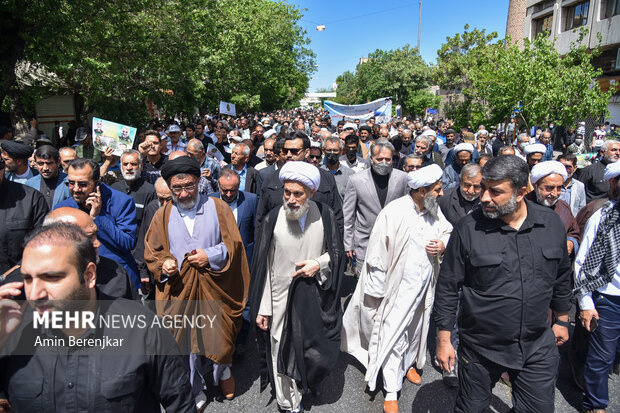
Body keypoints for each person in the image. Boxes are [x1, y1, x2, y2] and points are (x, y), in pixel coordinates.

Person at [0, 223, 195, 411]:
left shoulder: (142, 329)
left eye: (52, 277)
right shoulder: (11, 332)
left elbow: (180, 403)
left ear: (89, 275)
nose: (34, 294)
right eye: (27, 279)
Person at [434, 155, 572, 413]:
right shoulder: (468, 229)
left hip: (537, 345)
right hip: (479, 348)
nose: (484, 197)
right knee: (471, 408)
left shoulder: (550, 223)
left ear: (521, 192)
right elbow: (448, 286)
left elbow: (562, 274)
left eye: (495, 192)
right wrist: (444, 339)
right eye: (483, 188)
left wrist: (563, 319)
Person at [341, 164, 452, 413]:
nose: (442, 193)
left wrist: (442, 244)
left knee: (416, 331)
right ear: (422, 190)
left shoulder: (432, 206)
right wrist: (377, 296)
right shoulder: (394, 212)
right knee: (392, 335)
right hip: (396, 291)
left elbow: (447, 229)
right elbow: (377, 256)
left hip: (425, 287)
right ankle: (391, 390)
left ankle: (410, 364)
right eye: (438, 189)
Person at [144, 156, 250, 403]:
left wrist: (210, 255)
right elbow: (152, 251)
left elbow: (233, 246)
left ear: (199, 181)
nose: (183, 194)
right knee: (188, 343)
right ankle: (195, 389)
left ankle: (222, 371)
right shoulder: (163, 214)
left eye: (189, 186)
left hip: (217, 286)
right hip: (180, 290)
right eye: (177, 188)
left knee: (220, 335)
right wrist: (165, 264)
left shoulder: (218, 207)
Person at [249, 161, 345, 413]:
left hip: (314, 296)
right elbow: (264, 266)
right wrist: (263, 308)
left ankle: (306, 384)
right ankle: (287, 402)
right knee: (279, 346)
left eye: (298, 194)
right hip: (279, 298)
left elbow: (336, 253)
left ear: (311, 193)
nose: (291, 199)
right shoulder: (273, 218)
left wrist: (318, 263)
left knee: (312, 347)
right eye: (287, 192)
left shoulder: (324, 214)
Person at [574, 161, 620, 413]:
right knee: (602, 356)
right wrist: (586, 303)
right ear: (613, 184)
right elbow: (582, 263)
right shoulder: (602, 217)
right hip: (608, 298)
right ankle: (596, 404)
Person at [55, 158, 141, 291]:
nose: (76, 189)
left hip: (116, 278)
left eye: (83, 184)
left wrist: (98, 216)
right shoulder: (62, 208)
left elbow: (127, 243)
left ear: (97, 182)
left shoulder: (122, 202)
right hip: (79, 281)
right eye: (71, 183)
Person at [343, 140, 409, 275]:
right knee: (364, 286)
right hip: (365, 243)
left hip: (394, 243)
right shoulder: (356, 180)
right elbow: (348, 216)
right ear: (371, 159)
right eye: (379, 159)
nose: (383, 162)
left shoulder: (403, 178)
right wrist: (348, 243)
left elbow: (408, 209)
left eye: (387, 159)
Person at [256, 131, 343, 233]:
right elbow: (261, 219)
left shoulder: (326, 178)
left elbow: (337, 217)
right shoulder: (271, 179)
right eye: (285, 151)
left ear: (306, 153)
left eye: (294, 151)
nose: (288, 155)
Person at [0, 156, 48, 274]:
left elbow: (42, 247)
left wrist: (12, 275)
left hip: (18, 283)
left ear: (3, 167)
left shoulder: (31, 199)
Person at [526, 161, 580, 255]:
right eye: (549, 188)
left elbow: (573, 232)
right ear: (535, 186)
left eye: (559, 188)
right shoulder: (522, 208)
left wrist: (571, 243)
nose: (555, 194)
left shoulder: (564, 207)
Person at [212, 168, 258, 265]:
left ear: (238, 186)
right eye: (225, 190)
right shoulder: (210, 201)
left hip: (244, 259)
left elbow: (256, 232)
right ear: (219, 187)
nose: (228, 194)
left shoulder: (251, 200)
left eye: (232, 190)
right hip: (218, 260)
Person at [111, 149, 157, 228]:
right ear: (120, 166)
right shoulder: (113, 189)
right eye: (125, 164)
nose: (129, 168)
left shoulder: (150, 191)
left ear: (141, 166)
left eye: (133, 164)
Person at [321, 136, 354, 200]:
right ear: (323, 151)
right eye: (329, 150)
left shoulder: (350, 175)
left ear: (341, 151)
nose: (332, 153)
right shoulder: (319, 173)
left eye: (335, 150)